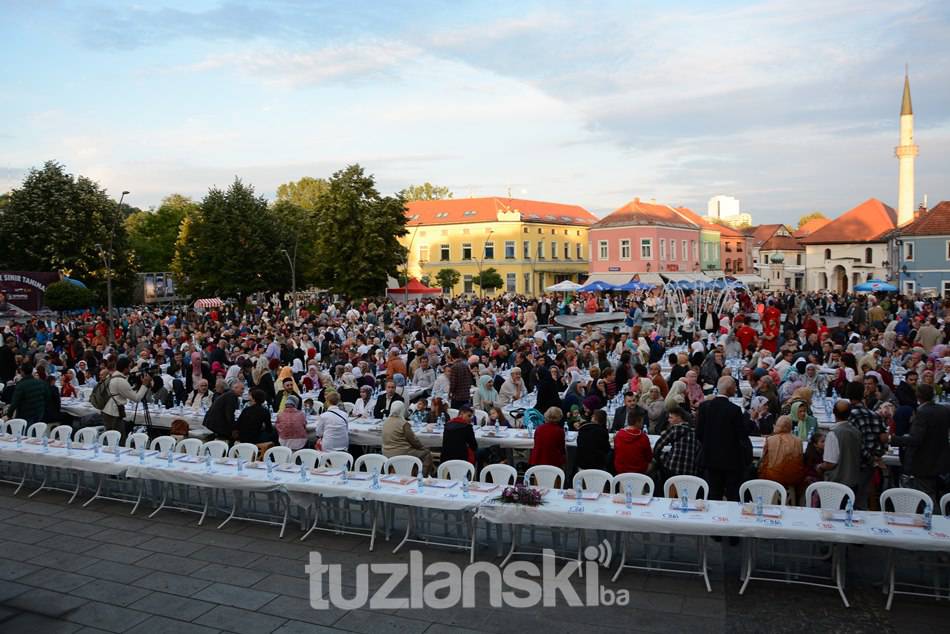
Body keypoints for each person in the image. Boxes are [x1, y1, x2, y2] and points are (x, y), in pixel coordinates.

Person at [890, 384, 950, 503]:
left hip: (924, 462)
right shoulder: (944, 410)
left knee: (925, 497)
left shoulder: (922, 412)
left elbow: (915, 439)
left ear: (918, 396)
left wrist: (892, 439)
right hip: (941, 460)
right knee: (935, 494)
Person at [695, 376, 750, 502]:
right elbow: (741, 435)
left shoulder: (704, 407)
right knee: (731, 495)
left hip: (710, 457)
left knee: (713, 494)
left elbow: (699, 433)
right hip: (730, 459)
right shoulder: (734, 410)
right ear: (731, 389)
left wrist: (710, 444)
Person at [845, 380, 888, 510]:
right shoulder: (875, 415)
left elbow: (852, 441)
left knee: (848, 501)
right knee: (861, 500)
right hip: (869, 464)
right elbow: (883, 438)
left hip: (853, 463)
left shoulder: (850, 416)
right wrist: (876, 456)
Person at [100, 357, 152, 443]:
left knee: (111, 438)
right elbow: (136, 398)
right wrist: (145, 385)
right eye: (129, 367)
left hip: (108, 411)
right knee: (119, 439)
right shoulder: (120, 381)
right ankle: (117, 454)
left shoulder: (112, 376)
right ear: (125, 368)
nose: (130, 369)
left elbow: (123, 391)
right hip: (114, 413)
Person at [817, 399, 862, 492]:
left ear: (834, 412)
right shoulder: (856, 431)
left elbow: (830, 463)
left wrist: (820, 467)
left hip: (837, 483)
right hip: (854, 481)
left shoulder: (834, 434)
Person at [381, 401, 434, 475]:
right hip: (401, 452)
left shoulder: (385, 422)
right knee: (426, 454)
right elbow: (413, 440)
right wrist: (422, 448)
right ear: (402, 410)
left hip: (386, 452)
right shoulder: (403, 423)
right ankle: (422, 477)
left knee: (417, 452)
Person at [651, 406, 702, 480]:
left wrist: (657, 458)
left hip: (673, 469)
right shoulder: (695, 432)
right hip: (692, 472)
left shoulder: (675, 429)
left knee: (659, 459)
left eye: (671, 417)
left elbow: (658, 446)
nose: (668, 420)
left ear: (679, 417)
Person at [757, 415, 805, 490]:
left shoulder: (770, 440)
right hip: (794, 477)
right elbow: (800, 460)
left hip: (773, 477)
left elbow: (764, 459)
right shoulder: (798, 441)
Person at [613, 405, 653, 475]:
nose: (642, 423)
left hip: (621, 470)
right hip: (639, 470)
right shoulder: (643, 437)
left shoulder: (618, 435)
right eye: (642, 421)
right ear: (638, 421)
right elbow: (649, 457)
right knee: (654, 464)